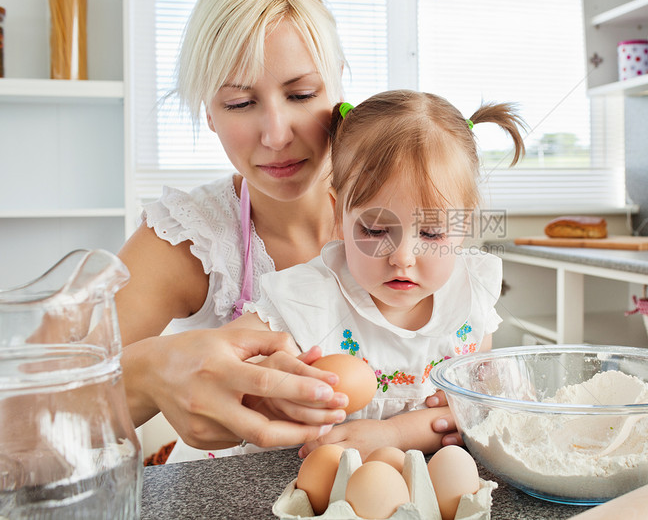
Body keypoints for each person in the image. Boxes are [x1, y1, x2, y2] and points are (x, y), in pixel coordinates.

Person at [117, 0, 457, 456]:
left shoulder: (416, 205)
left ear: (338, 86)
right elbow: (22, 409)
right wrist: (148, 374)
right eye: (238, 103)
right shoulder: (190, 239)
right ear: (207, 112)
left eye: (301, 94)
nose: (276, 135)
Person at [167, 89, 526, 462]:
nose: (402, 257)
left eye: (432, 233)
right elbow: (210, 372)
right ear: (338, 216)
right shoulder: (309, 298)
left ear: (463, 225)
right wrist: (267, 386)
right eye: (374, 230)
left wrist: (394, 433)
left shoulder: (471, 301)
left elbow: (469, 414)